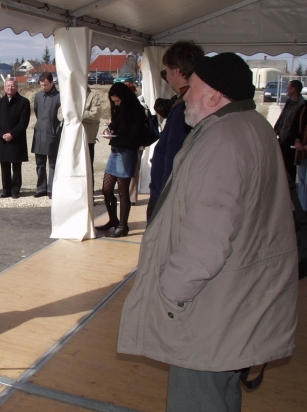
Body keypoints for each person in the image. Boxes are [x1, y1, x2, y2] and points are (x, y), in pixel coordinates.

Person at [117, 53, 298, 412]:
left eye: (193, 88)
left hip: (210, 310)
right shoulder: (251, 125)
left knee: (198, 399)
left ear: (214, 96)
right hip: (236, 301)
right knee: (220, 396)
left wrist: (169, 296)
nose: (184, 96)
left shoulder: (223, 141)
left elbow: (207, 240)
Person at [146, 40, 205, 221]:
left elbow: (173, 158)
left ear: (177, 71)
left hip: (168, 199)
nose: (167, 77)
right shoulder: (189, 102)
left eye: (167, 70)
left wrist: (163, 201)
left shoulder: (185, 109)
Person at [95, 83, 145, 237]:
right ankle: (113, 220)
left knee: (123, 191)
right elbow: (114, 125)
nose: (116, 104)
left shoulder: (136, 110)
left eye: (117, 101)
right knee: (107, 189)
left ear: (124, 97)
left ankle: (123, 225)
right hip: (116, 150)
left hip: (127, 152)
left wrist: (115, 137)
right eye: (114, 101)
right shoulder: (119, 109)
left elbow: (134, 136)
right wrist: (109, 130)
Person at [0, 78, 31, 199]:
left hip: (16, 139)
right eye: (8, 86)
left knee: (16, 166)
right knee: (4, 166)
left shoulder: (24, 102)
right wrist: (2, 134)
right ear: (4, 87)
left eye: (13, 86)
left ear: (17, 87)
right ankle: (6, 190)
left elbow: (23, 123)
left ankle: (15, 190)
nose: (10, 88)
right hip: (2, 139)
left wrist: (12, 134)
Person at [31, 72, 62, 198]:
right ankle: (41, 188)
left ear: (52, 82)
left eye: (46, 85)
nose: (44, 87)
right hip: (39, 133)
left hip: (53, 133)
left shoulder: (59, 96)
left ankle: (52, 188)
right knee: (40, 163)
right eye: (42, 85)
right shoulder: (38, 96)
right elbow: (36, 112)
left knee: (53, 164)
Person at [274, 79, 305, 181]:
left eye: (288, 88)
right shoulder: (289, 101)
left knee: (289, 167)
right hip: (282, 137)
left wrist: (296, 139)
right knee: (281, 165)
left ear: (294, 89)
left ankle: (291, 186)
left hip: (290, 140)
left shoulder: (301, 104)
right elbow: (283, 118)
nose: (286, 90)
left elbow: (297, 124)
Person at [82, 86, 102, 188]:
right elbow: (60, 114)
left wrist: (77, 113)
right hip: (72, 139)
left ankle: (89, 190)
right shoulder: (71, 96)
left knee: (88, 166)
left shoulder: (93, 97)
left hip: (87, 139)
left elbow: (95, 115)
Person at [295, 104, 307, 210]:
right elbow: (296, 127)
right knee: (302, 181)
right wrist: (297, 140)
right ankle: (303, 209)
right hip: (303, 152)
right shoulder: (304, 108)